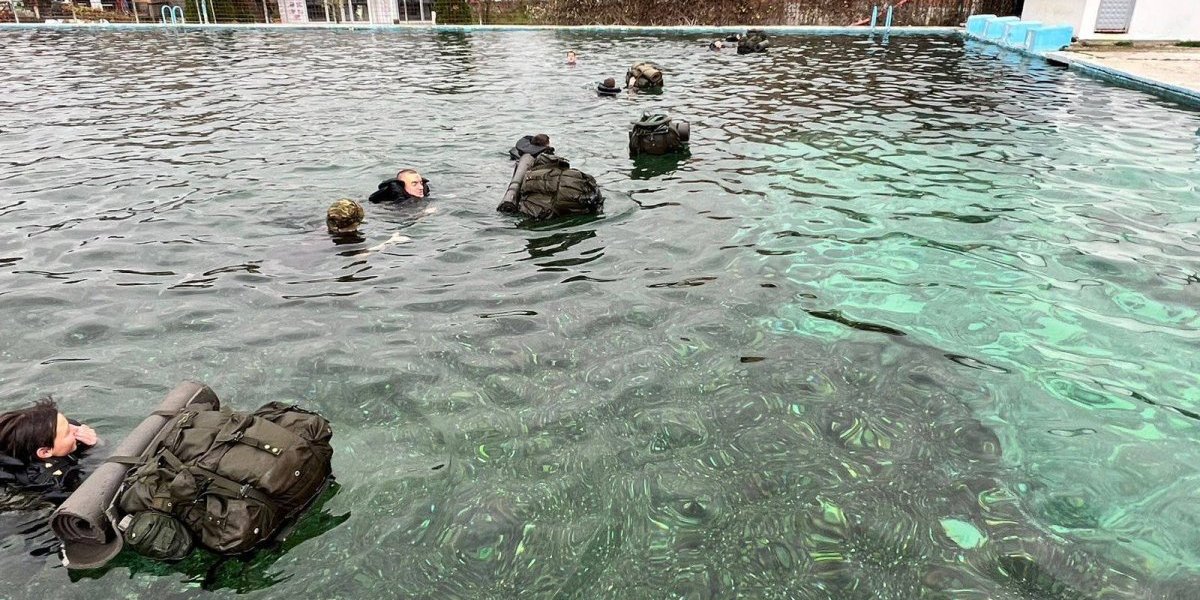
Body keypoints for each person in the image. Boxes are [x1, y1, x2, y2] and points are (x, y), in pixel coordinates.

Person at [0, 398, 98, 500]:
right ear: (45, 452)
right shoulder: (51, 482)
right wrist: (96, 447)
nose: (77, 429)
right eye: (67, 432)